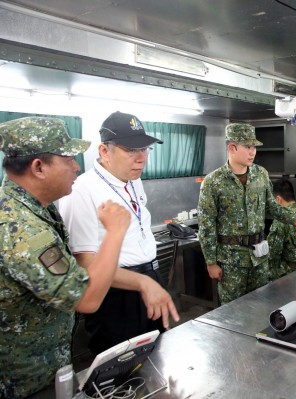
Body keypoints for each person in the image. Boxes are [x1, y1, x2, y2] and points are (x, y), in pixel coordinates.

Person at [0, 117, 130, 398]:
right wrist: (115, 232)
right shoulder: (22, 229)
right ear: (38, 167)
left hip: (46, 368)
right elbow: (87, 299)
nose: (76, 166)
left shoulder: (37, 209)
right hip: (23, 383)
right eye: (68, 158)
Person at [59, 111, 180, 356]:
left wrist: (152, 281)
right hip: (116, 294)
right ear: (104, 151)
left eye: (145, 149)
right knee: (121, 371)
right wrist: (141, 282)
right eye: (131, 150)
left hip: (151, 278)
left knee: (158, 357)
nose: (141, 159)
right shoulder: (82, 190)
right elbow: (85, 264)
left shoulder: (133, 180)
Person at [197, 123, 296, 304]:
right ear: (232, 147)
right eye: (247, 147)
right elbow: (206, 224)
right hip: (231, 261)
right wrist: (211, 262)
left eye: (254, 147)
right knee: (232, 311)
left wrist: (295, 218)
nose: (252, 152)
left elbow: (272, 206)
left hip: (259, 257)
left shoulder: (261, 175)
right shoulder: (213, 182)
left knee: (260, 306)